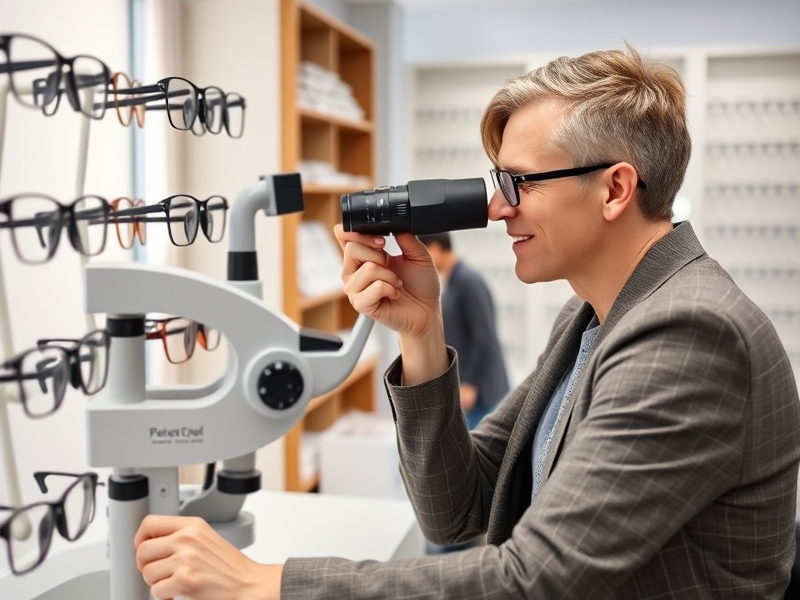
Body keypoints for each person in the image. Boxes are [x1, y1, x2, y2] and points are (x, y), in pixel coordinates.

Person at [133, 45, 800, 599]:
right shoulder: (592, 317)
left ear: (616, 189)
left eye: (520, 183)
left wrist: (265, 583)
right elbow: (458, 508)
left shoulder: (689, 335)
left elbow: (532, 580)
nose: (497, 209)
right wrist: (421, 332)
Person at [417, 232, 509, 430]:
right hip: (471, 390)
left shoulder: (467, 281)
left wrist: (469, 383)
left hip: (481, 391)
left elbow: (484, 336)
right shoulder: (454, 280)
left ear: (433, 249)